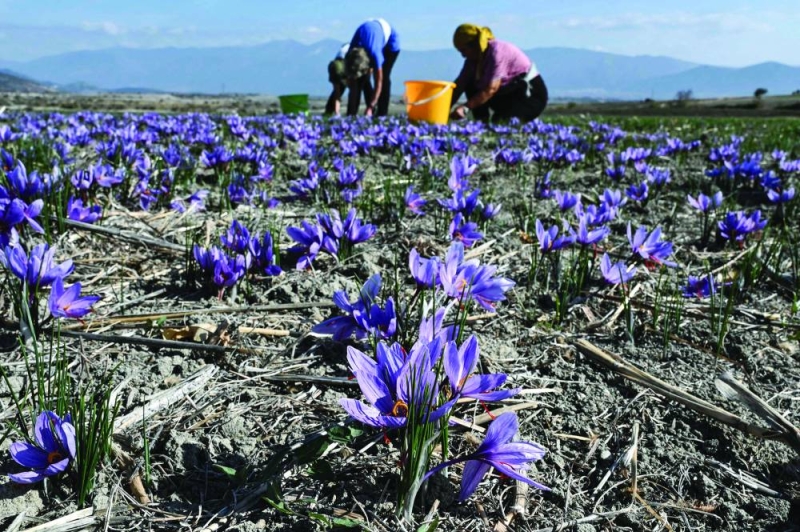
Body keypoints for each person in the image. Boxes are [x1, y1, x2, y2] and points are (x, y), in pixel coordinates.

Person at [449, 24, 548, 123]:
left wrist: (465, 108)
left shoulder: (497, 52)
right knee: (469, 83)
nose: (463, 55)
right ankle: (481, 122)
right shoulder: (472, 60)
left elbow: (491, 89)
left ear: (474, 45)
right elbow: (459, 86)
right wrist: (444, 108)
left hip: (529, 95)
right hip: (507, 94)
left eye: (464, 50)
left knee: (501, 123)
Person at [344, 18, 400, 117]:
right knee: (358, 81)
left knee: (385, 77)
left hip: (390, 44)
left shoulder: (375, 53)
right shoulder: (351, 51)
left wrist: (370, 106)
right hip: (371, 32)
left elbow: (379, 81)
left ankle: (381, 114)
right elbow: (350, 77)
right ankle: (351, 114)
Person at [325, 43, 350, 115]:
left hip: (333, 65)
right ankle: (350, 113)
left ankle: (332, 111)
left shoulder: (343, 47)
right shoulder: (353, 45)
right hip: (342, 66)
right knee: (353, 90)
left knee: (337, 92)